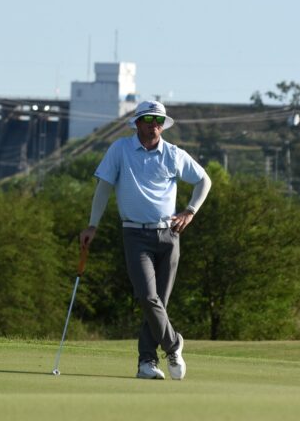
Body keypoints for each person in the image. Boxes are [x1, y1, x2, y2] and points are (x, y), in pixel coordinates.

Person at [79, 100, 211, 381]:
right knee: (147, 297)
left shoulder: (174, 154)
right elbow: (103, 188)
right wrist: (93, 224)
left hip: (169, 234)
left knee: (159, 303)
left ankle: (146, 363)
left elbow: (204, 181)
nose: (154, 124)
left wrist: (190, 211)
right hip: (135, 233)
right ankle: (174, 345)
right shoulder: (120, 149)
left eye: (159, 120)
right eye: (149, 119)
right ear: (137, 122)